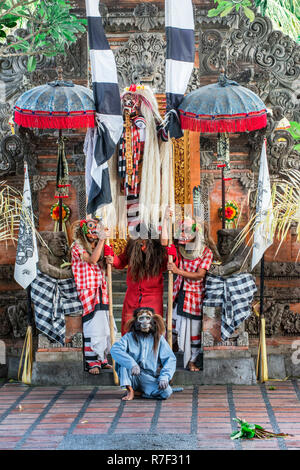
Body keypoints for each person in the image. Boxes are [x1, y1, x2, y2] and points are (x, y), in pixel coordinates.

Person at [166, 216, 219, 371]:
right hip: (178, 292)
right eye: (181, 230)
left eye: (186, 230)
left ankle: (192, 361)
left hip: (195, 295)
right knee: (173, 328)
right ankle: (166, 359)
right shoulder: (180, 249)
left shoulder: (206, 252)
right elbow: (166, 243)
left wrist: (177, 271)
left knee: (194, 331)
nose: (183, 233)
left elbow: (200, 275)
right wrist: (168, 220)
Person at [106, 224, 168, 336]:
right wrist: (112, 257)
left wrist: (170, 253)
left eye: (144, 242)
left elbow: (168, 264)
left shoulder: (158, 252)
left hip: (152, 297)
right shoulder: (131, 248)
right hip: (132, 296)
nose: (142, 246)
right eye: (139, 242)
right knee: (129, 325)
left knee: (152, 327)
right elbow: (120, 262)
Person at [71, 218, 115, 374]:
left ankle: (102, 359)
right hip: (87, 289)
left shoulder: (98, 246)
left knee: (104, 324)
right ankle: (91, 362)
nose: (93, 232)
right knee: (92, 325)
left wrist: (109, 259)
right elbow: (92, 260)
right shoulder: (77, 246)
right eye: (90, 228)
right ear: (84, 230)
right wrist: (102, 240)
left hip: (100, 287)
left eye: (96, 229)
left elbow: (100, 263)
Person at [110, 307, 176, 401]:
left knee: (166, 392)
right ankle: (130, 390)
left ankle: (142, 393)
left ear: (153, 321)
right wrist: (132, 364)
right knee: (122, 362)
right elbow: (115, 350)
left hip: (148, 378)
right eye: (141, 318)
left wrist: (165, 376)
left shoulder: (159, 339)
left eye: (147, 318)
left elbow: (170, 359)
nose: (145, 321)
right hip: (131, 374)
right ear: (136, 322)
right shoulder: (129, 337)